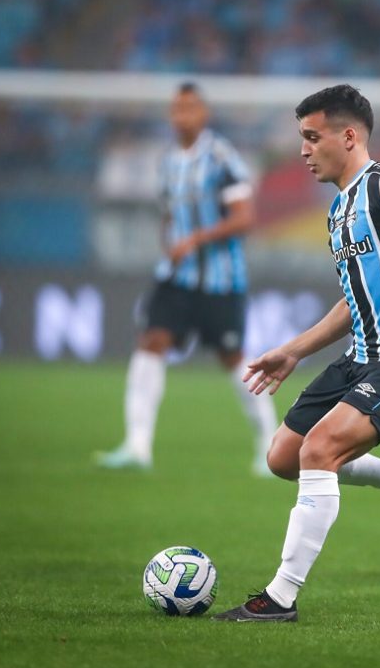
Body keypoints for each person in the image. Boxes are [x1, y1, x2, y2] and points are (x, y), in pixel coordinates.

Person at [212, 84, 380, 622]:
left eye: (311, 137)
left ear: (348, 136)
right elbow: (354, 302)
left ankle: (279, 598)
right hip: (360, 357)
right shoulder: (339, 212)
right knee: (283, 456)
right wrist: (292, 351)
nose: (303, 150)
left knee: (320, 449)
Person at [97, 82, 278, 474]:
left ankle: (270, 443)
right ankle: (137, 444)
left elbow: (244, 217)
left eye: (191, 108)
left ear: (204, 114)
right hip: (176, 278)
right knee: (151, 342)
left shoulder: (221, 157)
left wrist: (195, 239)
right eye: (177, 109)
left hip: (220, 281)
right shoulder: (168, 161)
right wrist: (170, 244)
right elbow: (168, 214)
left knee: (233, 358)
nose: (183, 115)